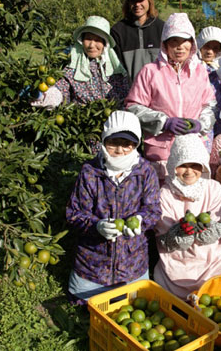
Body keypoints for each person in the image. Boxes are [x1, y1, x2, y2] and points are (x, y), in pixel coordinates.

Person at [66, 110, 161, 304]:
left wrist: (142, 221)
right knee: (83, 303)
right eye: (113, 143)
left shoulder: (146, 172)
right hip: (93, 263)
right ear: (103, 141)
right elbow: (74, 214)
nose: (120, 150)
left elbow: (153, 209)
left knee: (135, 303)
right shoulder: (90, 172)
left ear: (136, 145)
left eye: (127, 144)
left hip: (132, 262)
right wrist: (97, 226)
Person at [125, 12, 216, 181]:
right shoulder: (150, 72)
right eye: (174, 41)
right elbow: (133, 107)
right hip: (160, 152)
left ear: (192, 44)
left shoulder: (199, 72)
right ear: (165, 44)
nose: (180, 47)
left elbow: (208, 105)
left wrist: (200, 124)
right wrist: (164, 121)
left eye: (184, 41)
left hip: (191, 151)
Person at [153, 134, 221, 300]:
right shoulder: (165, 194)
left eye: (194, 165)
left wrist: (207, 230)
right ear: (173, 166)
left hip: (213, 261)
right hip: (177, 265)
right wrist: (180, 233)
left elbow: (217, 227)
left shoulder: (213, 188)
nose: (189, 171)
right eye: (183, 165)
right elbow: (165, 239)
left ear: (203, 166)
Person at [111, 0, 165, 82]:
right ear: (128, 3)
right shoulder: (117, 31)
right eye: (133, 0)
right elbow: (116, 67)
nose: (137, 4)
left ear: (149, 0)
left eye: (141, 0)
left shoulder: (162, 28)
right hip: (130, 94)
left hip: (159, 93)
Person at [196, 26, 221, 142]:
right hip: (201, 116)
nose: (210, 51)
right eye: (207, 46)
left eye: (215, 48)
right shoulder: (192, 65)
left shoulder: (220, 65)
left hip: (219, 117)